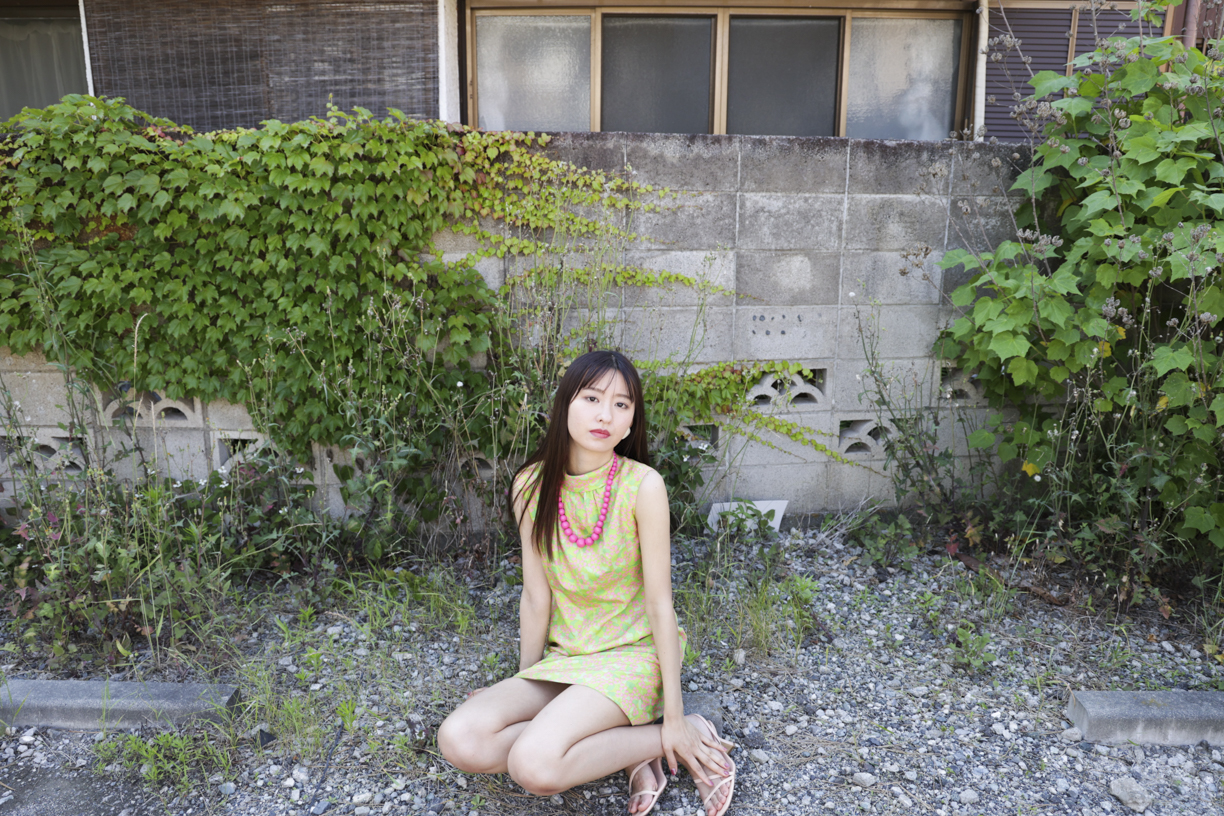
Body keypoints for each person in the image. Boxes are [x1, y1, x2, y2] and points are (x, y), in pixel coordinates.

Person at [438, 350, 736, 816]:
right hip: (568, 658)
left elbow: (660, 605)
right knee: (460, 739)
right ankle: (622, 746)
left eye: (621, 405)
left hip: (631, 655)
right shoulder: (531, 485)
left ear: (632, 421)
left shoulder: (643, 486)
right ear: (565, 405)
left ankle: (682, 732)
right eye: (592, 398)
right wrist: (522, 682)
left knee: (534, 766)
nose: (605, 415)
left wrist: (675, 716)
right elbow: (536, 595)